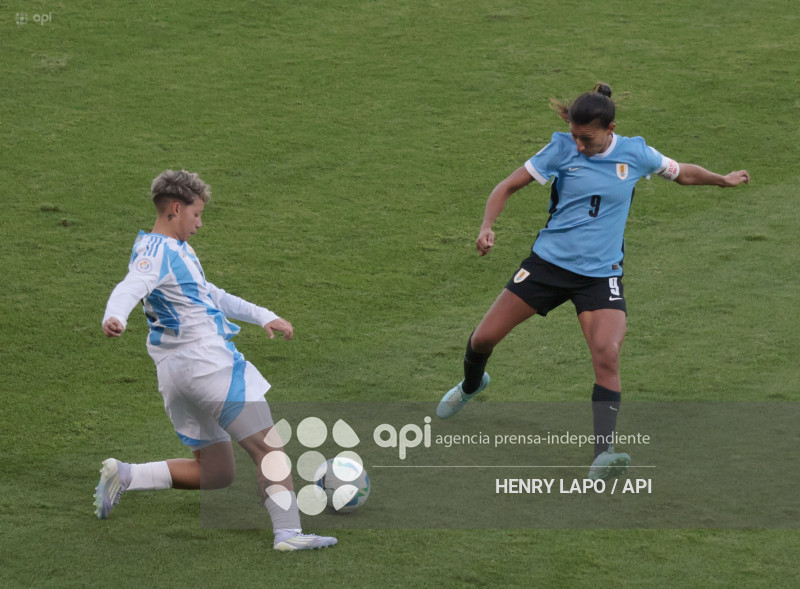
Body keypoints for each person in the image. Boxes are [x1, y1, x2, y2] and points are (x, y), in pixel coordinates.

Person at [436, 83, 750, 480]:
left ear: (610, 129)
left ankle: (605, 453)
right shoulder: (561, 149)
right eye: (574, 136)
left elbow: (681, 173)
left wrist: (722, 179)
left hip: (600, 276)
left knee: (607, 354)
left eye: (587, 139)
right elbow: (507, 186)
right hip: (547, 266)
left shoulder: (635, 153)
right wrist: (486, 227)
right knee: (483, 339)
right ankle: (470, 385)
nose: (579, 146)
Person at [96, 169, 336, 551]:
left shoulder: (166, 250)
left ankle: (126, 475)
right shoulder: (157, 252)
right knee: (269, 448)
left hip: (175, 374)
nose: (200, 224)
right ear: (176, 208)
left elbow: (209, 293)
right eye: (196, 215)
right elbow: (130, 288)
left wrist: (262, 314)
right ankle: (289, 533)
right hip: (209, 365)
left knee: (217, 471)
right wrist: (116, 316)